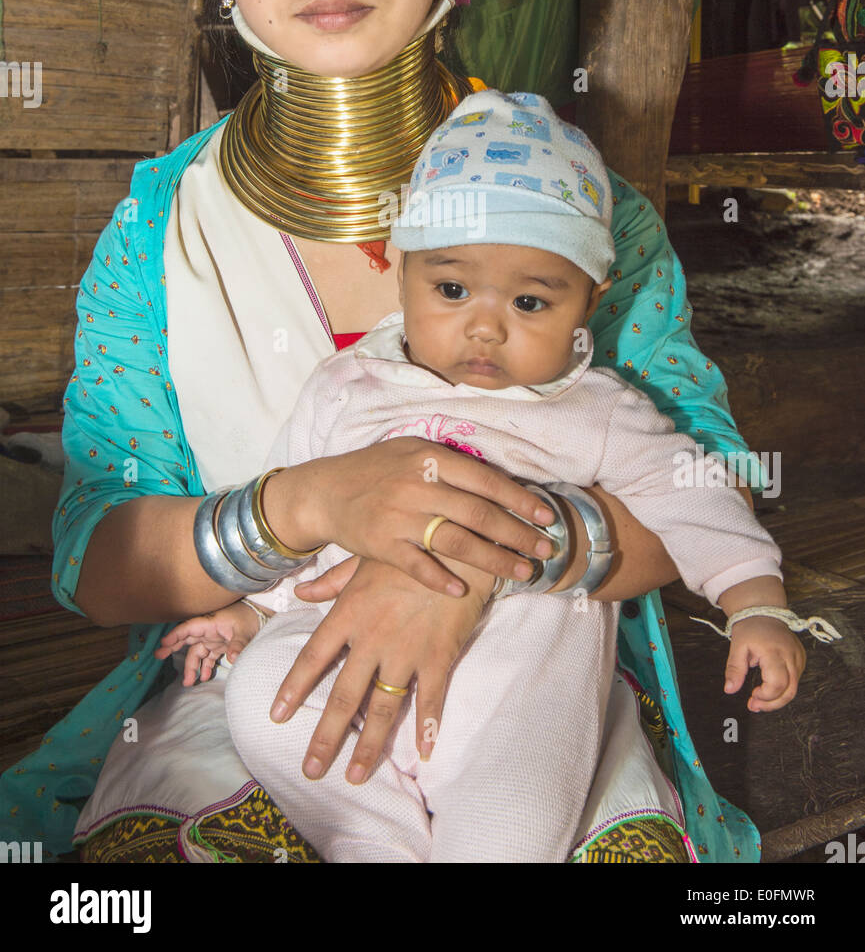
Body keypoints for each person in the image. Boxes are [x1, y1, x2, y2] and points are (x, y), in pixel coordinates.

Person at [1, 0, 769, 864]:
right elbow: (99, 552)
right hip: (260, 677)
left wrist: (468, 562)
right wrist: (307, 504)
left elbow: (703, 485)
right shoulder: (167, 230)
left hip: (539, 678)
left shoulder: (581, 214)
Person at [155, 89, 822, 863]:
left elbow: (695, 493)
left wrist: (754, 604)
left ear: (588, 303)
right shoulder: (348, 387)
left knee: (510, 828)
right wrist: (250, 616)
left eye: (531, 300)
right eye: (450, 289)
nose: (484, 324)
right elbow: (302, 511)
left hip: (519, 695)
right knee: (264, 695)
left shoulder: (599, 409)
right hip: (350, 655)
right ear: (401, 270)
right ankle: (373, 842)